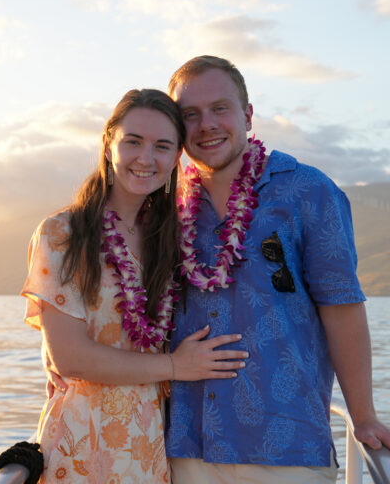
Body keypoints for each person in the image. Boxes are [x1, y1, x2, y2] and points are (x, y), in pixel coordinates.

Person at [163, 55, 390, 484]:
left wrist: (364, 417)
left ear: (247, 116)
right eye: (189, 115)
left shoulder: (308, 190)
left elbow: (341, 307)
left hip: (285, 449)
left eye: (220, 109)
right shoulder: (165, 204)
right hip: (185, 449)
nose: (206, 124)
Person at [21, 88, 248, 483]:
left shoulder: (170, 236)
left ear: (177, 156)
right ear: (108, 142)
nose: (146, 158)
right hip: (82, 442)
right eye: (133, 141)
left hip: (151, 444)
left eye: (162, 145)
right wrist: (177, 366)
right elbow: (69, 357)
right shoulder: (63, 233)